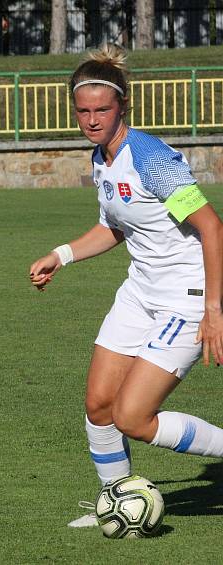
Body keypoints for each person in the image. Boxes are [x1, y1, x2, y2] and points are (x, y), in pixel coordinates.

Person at [29, 44, 223, 528]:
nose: (92, 119)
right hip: (140, 292)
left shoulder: (150, 157)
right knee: (99, 405)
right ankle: (116, 500)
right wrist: (62, 255)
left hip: (186, 296)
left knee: (133, 418)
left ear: (123, 107)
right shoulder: (102, 158)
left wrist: (215, 310)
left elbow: (212, 227)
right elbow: (116, 227)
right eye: (83, 111)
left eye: (102, 110)